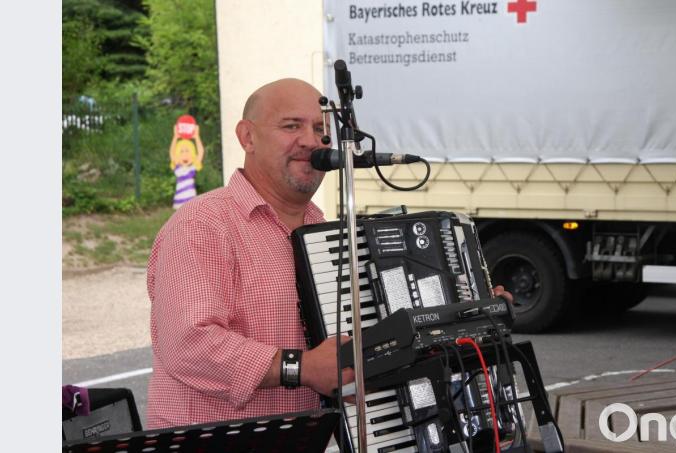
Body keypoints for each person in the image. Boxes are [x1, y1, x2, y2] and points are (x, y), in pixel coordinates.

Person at [146, 78, 512, 429]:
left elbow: (369, 335)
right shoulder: (202, 225)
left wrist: (465, 312)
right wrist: (300, 367)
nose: (312, 141)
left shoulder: (326, 235)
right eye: (291, 126)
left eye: (321, 130)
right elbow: (189, 344)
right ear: (248, 136)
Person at [168, 124, 204, 209]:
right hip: (179, 199)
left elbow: (201, 153)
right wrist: (175, 137)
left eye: (187, 151)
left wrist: (197, 137)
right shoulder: (177, 167)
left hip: (191, 198)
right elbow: (171, 152)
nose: (185, 155)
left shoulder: (192, 168)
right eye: (181, 152)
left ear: (193, 155)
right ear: (177, 155)